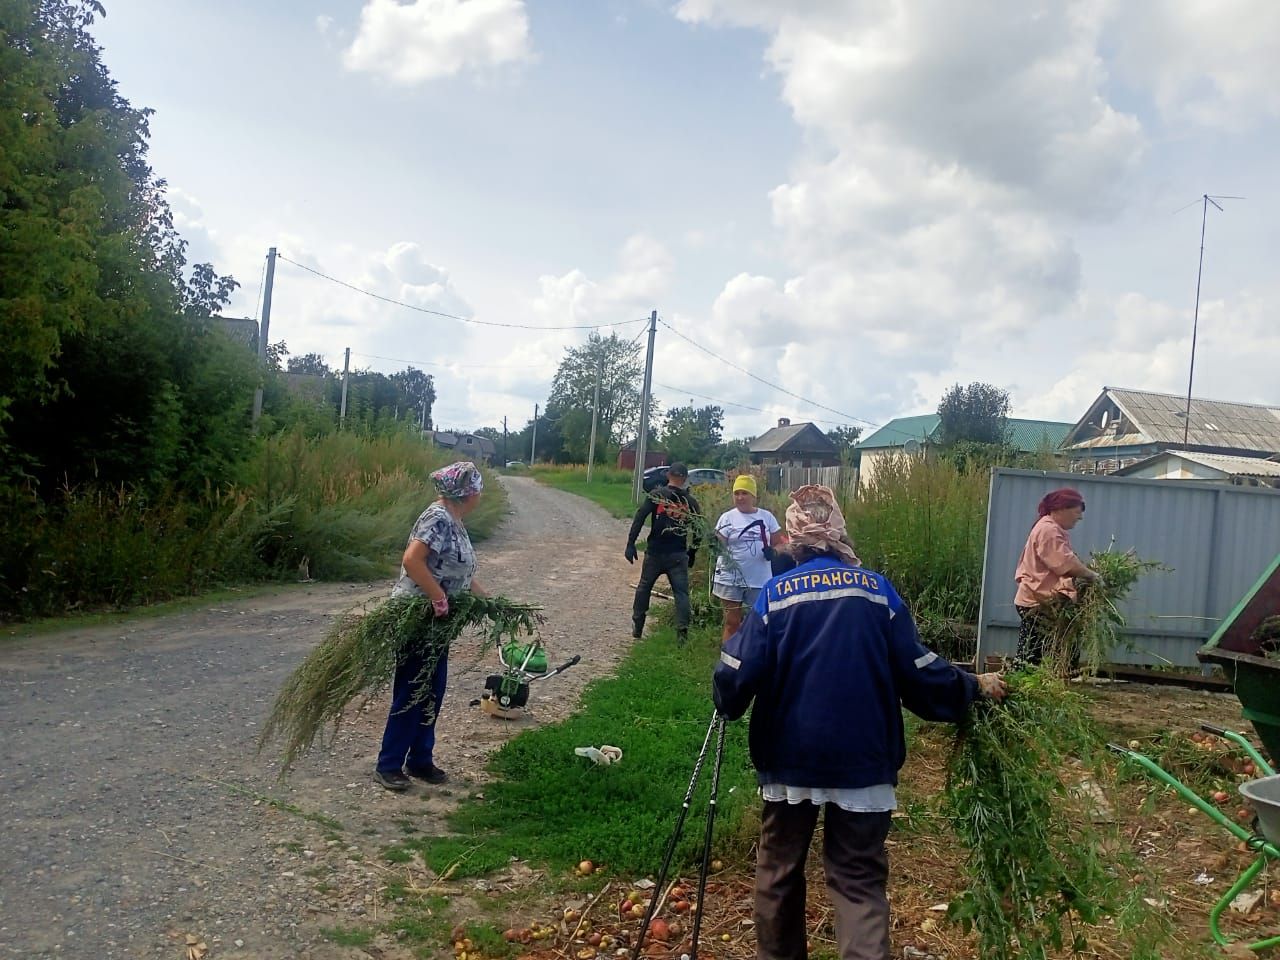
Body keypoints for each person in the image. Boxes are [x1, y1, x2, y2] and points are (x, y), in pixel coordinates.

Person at [712, 484, 1007, 960]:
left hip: (791, 756)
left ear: (794, 538)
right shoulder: (876, 591)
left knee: (779, 870)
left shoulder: (776, 594)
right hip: (863, 757)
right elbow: (918, 670)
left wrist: (726, 700)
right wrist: (971, 686)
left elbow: (737, 669)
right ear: (839, 533)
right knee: (858, 880)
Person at [374, 461, 488, 792]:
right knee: (413, 690)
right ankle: (388, 764)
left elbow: (459, 571)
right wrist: (438, 598)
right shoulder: (437, 517)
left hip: (437, 622)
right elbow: (412, 560)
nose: (480, 496)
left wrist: (489, 600)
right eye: (478, 490)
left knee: (432, 690)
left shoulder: (455, 520)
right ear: (467, 492)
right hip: (418, 617)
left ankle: (420, 759)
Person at [1013, 486, 1100, 667]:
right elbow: (1064, 563)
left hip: (1042, 601)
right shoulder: (1048, 530)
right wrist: (1092, 575)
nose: (1080, 517)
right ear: (1061, 509)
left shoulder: (1052, 528)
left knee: (1055, 649)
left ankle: (1050, 684)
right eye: (1076, 512)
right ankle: (1023, 687)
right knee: (1031, 657)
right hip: (1038, 603)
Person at [625, 461, 701, 645]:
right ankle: (682, 634)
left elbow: (640, 517)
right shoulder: (690, 502)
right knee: (681, 594)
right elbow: (699, 529)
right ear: (684, 479)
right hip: (678, 555)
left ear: (668, 475)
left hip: (655, 553)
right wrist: (692, 552)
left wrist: (631, 543)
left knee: (644, 587)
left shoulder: (657, 496)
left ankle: (638, 625)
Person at [712, 474, 784, 642]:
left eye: (744, 493)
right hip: (731, 578)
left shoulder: (766, 517)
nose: (740, 497)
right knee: (732, 622)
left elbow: (781, 545)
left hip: (758, 579)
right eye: (736, 493)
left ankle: (752, 658)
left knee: (758, 623)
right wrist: (713, 543)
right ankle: (729, 660)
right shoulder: (727, 517)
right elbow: (719, 543)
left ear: (753, 496)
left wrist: (773, 552)